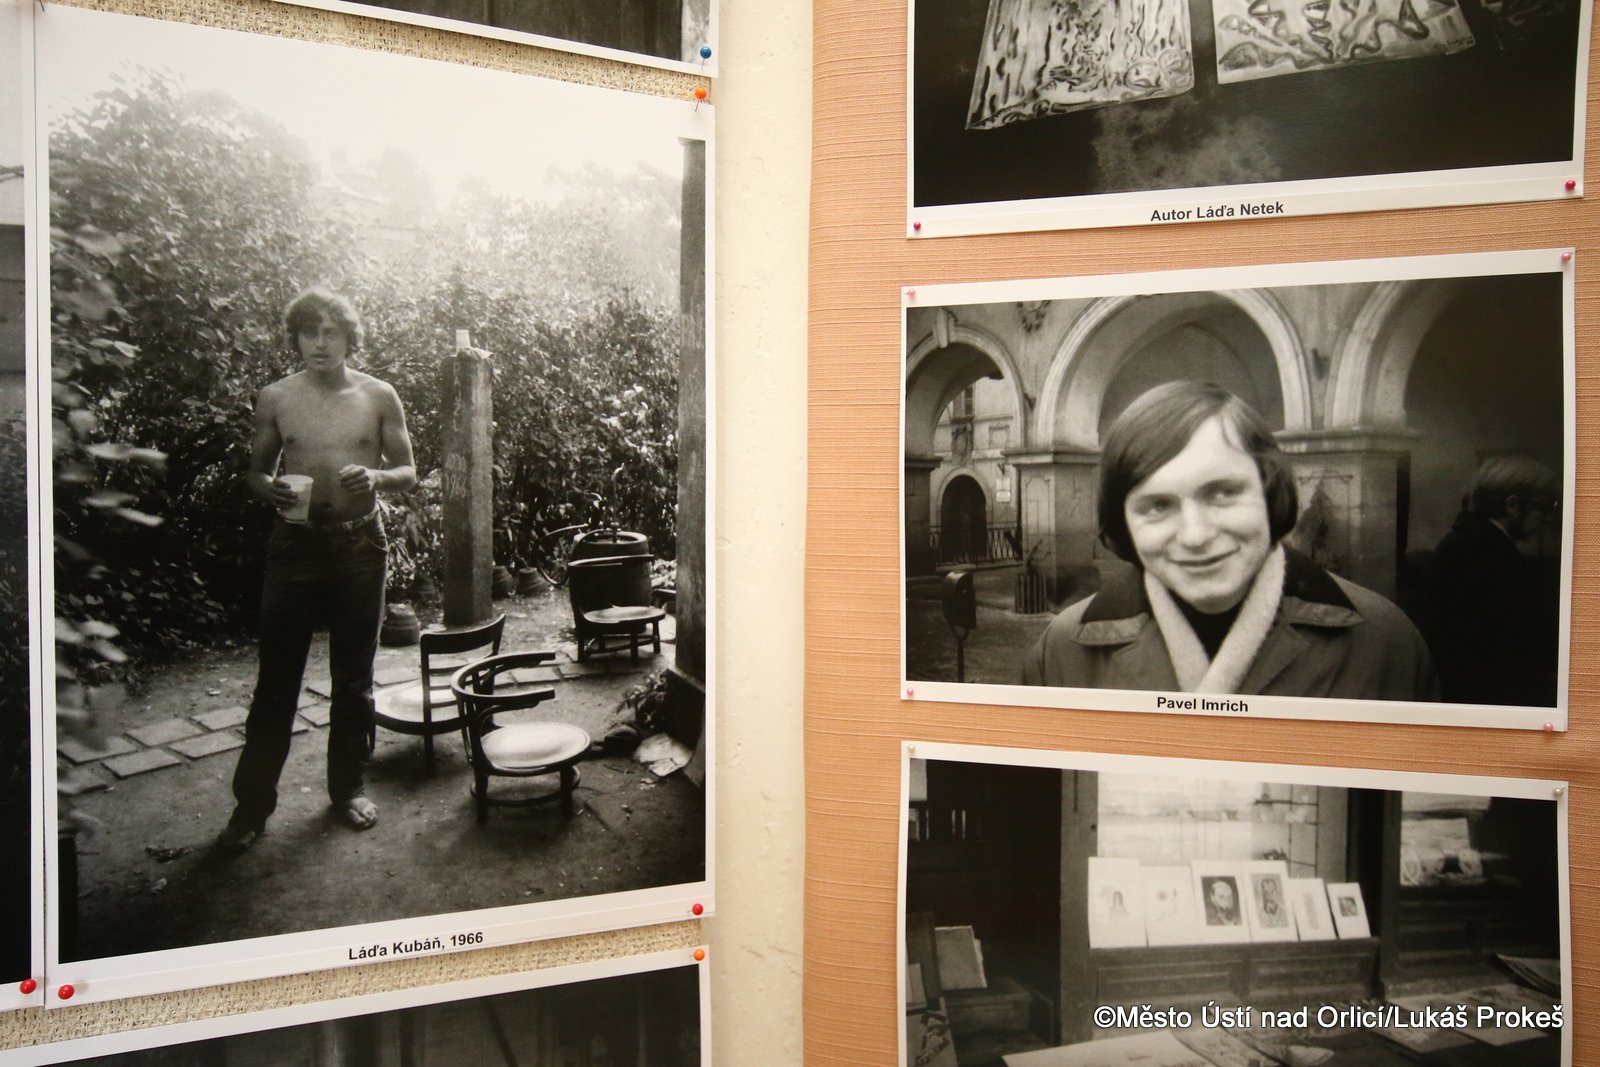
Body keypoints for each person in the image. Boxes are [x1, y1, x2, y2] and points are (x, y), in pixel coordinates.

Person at [1022, 381, 1437, 700]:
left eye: (1222, 493)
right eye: (1158, 505)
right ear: (1123, 524)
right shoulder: (1063, 649)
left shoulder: (1384, 642)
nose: (1196, 535)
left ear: (1269, 491)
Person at [218, 288, 416, 852]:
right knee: (276, 682)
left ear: (350, 337)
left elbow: (408, 471)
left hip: (359, 547)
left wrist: (376, 478)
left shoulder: (378, 395)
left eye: (331, 332)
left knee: (353, 680)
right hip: (294, 549)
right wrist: (270, 489)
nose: (320, 343)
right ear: (297, 338)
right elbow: (255, 473)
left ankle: (347, 788)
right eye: (310, 332)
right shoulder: (277, 397)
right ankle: (251, 809)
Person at [1421, 457, 1561, 707]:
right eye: (1544, 507)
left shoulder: (1467, 542)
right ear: (1512, 505)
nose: (1549, 519)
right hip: (1483, 698)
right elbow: (1513, 647)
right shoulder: (1489, 554)